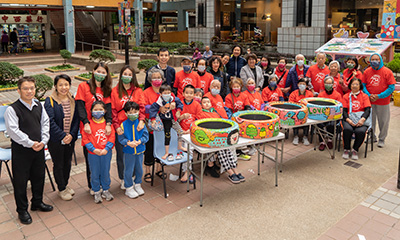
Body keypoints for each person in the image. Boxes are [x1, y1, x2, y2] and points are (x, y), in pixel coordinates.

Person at [5, 77, 53, 225]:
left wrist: (43, 141)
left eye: (32, 88)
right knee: (21, 182)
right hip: (22, 151)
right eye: (25, 88)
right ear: (19, 90)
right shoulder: (12, 109)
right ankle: (22, 210)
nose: (29, 91)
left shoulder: (39, 104)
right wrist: (30, 143)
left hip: (38, 148)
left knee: (39, 177)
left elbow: (45, 123)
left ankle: (37, 202)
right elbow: (13, 131)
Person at [75, 62, 113, 194]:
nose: (101, 74)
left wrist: (109, 123)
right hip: (89, 129)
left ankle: (104, 184)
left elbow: (108, 108)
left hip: (103, 127)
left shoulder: (106, 89)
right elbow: (80, 105)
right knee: (91, 158)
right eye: (99, 71)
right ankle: (93, 186)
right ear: (93, 71)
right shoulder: (83, 86)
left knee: (103, 159)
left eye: (104, 72)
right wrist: (85, 122)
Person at [44, 74, 79, 201]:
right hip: (56, 140)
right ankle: (61, 188)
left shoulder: (72, 99)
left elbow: (76, 120)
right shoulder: (50, 101)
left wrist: (72, 135)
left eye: (66, 84)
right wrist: (63, 136)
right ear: (56, 86)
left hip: (70, 138)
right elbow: (50, 121)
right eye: (61, 85)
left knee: (67, 162)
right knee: (58, 164)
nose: (64, 87)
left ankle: (65, 185)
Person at [111, 65, 145, 190]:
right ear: (121, 76)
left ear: (133, 76)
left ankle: (135, 179)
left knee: (136, 153)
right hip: (121, 128)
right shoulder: (115, 91)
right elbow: (113, 110)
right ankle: (123, 178)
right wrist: (116, 126)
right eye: (124, 74)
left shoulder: (138, 91)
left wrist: (141, 121)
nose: (127, 76)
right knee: (122, 154)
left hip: (135, 127)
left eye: (129, 74)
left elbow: (141, 107)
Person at [198, 97, 245, 183]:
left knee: (227, 149)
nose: (207, 104)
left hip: (219, 136)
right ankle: (230, 172)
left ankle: (235, 171)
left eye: (208, 102)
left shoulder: (215, 112)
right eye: (204, 102)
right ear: (201, 105)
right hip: (210, 138)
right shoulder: (201, 114)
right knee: (222, 151)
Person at [81, 101, 115, 203]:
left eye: (100, 109)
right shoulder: (88, 125)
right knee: (94, 173)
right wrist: (93, 149)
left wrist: (106, 149)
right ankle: (96, 191)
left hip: (106, 153)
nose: (98, 112)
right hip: (93, 154)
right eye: (95, 110)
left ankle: (105, 189)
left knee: (105, 172)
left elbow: (112, 137)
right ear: (91, 111)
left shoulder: (108, 125)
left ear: (105, 111)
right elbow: (85, 139)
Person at [361, 53, 396, 148]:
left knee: (383, 121)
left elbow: (391, 87)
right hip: (369, 101)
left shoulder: (387, 72)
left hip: (383, 102)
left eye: (377, 59)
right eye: (373, 59)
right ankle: (372, 137)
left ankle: (382, 138)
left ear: (380, 60)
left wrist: (379, 96)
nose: (374, 61)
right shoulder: (367, 71)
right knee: (370, 120)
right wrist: (368, 95)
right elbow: (363, 85)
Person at [118, 101, 149, 198]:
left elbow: (146, 136)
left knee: (139, 168)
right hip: (128, 151)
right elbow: (121, 139)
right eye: (130, 113)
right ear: (126, 113)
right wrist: (128, 143)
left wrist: (140, 141)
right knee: (128, 170)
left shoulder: (141, 123)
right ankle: (129, 187)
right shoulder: (123, 125)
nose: (133, 114)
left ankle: (138, 184)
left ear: (139, 112)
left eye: (135, 112)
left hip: (140, 150)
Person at [150, 85, 185, 160]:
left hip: (173, 120)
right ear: (161, 94)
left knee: (180, 131)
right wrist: (153, 119)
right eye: (165, 93)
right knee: (167, 136)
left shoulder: (173, 98)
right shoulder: (158, 101)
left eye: (168, 93)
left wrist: (178, 111)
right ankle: (166, 152)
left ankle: (180, 146)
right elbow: (153, 109)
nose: (167, 95)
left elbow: (180, 104)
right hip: (166, 121)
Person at [143, 68, 165, 182]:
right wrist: (157, 108)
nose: (157, 80)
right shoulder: (146, 92)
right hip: (150, 126)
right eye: (154, 78)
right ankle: (147, 171)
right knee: (149, 148)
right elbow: (144, 107)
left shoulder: (165, 91)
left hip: (163, 126)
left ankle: (158, 169)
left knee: (161, 148)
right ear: (150, 80)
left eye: (159, 77)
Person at [342, 78, 371, 160]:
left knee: (360, 131)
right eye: (353, 84)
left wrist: (362, 119)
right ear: (350, 85)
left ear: (360, 86)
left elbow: (367, 110)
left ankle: (355, 149)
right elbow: (344, 111)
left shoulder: (364, 96)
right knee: (347, 129)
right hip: (349, 119)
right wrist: (348, 120)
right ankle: (346, 149)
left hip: (361, 119)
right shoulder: (346, 96)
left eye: (357, 84)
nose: (354, 86)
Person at [177, 84, 201, 182]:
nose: (189, 95)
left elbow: (199, 121)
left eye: (191, 93)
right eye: (187, 93)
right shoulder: (180, 104)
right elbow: (175, 121)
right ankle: (187, 170)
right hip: (181, 133)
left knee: (188, 147)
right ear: (183, 93)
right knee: (184, 147)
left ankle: (187, 171)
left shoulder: (197, 105)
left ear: (194, 94)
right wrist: (181, 117)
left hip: (192, 132)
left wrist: (190, 130)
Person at [225, 78, 252, 160]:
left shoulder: (244, 96)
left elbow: (247, 107)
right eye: (234, 86)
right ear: (231, 87)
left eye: (238, 86)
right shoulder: (228, 97)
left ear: (241, 87)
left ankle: (243, 150)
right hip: (233, 118)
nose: (236, 88)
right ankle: (239, 151)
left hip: (242, 117)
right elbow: (228, 111)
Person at [317, 76, 343, 151]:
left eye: (330, 83)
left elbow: (339, 107)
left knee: (331, 124)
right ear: (324, 84)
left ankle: (329, 140)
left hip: (333, 116)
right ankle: (322, 142)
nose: (328, 85)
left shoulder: (337, 95)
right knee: (319, 124)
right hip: (322, 115)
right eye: (326, 83)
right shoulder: (321, 95)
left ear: (333, 84)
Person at [289, 78, 313, 145]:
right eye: (300, 84)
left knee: (306, 118)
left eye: (304, 84)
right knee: (295, 116)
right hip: (296, 112)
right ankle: (295, 136)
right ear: (297, 85)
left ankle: (305, 137)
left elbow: (311, 104)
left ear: (307, 86)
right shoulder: (294, 93)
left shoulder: (310, 94)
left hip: (306, 113)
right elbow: (291, 104)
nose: (302, 85)